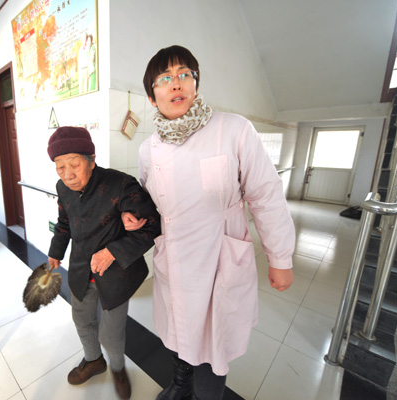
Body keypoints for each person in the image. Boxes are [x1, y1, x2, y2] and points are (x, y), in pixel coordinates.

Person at [124, 45, 296, 400]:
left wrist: (280, 257)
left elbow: (265, 194)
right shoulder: (149, 148)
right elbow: (148, 201)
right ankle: (181, 384)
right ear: (152, 96)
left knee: (212, 349)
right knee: (177, 334)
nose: (176, 84)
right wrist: (134, 214)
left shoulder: (233, 130)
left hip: (220, 259)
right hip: (174, 262)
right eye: (165, 78)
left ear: (196, 84)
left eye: (184, 74)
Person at [46, 126, 160, 400]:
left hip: (116, 274)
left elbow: (152, 226)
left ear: (92, 159)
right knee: (81, 319)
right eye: (59, 167)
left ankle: (118, 369)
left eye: (74, 164)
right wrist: (55, 252)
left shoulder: (121, 185)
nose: (67, 174)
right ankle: (94, 360)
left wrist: (112, 251)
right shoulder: (63, 188)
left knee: (111, 333)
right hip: (81, 269)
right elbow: (64, 223)